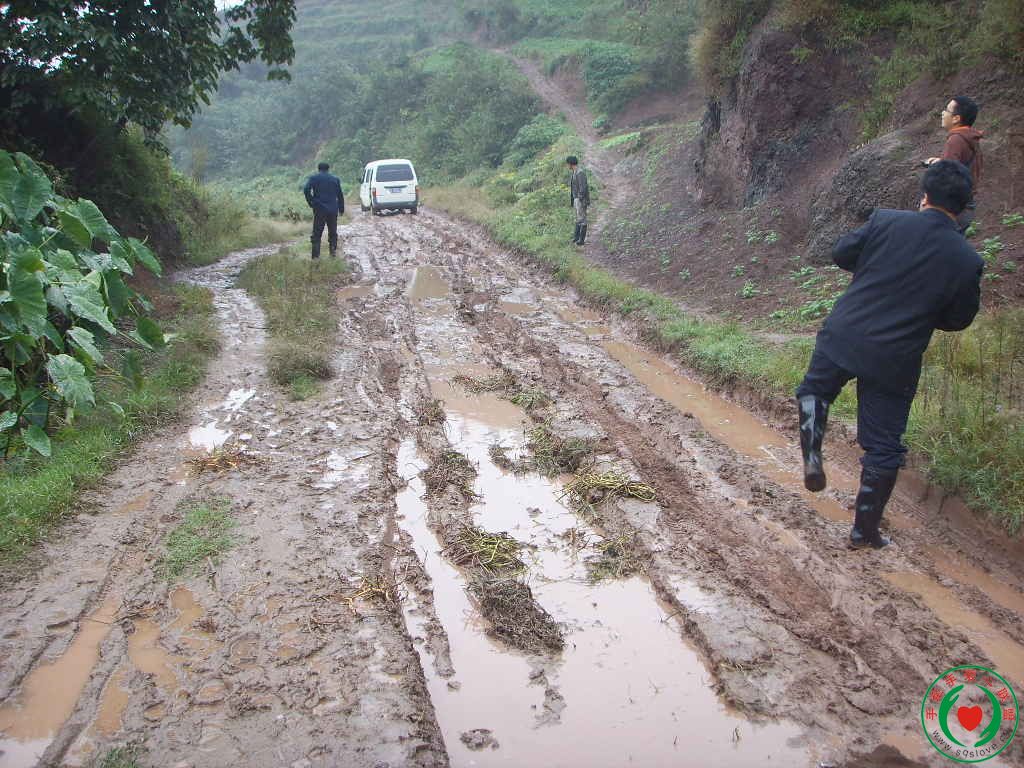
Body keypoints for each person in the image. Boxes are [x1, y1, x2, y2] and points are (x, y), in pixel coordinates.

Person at [796, 160, 983, 549]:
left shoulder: (886, 221)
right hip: (897, 355)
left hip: (845, 333)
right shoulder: (967, 259)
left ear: (924, 195)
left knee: (815, 391)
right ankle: (865, 532)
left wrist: (872, 268)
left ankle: (812, 456)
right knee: (883, 445)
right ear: (964, 207)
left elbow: (841, 252)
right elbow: (959, 320)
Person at [925, 96, 983, 231]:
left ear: (956, 118)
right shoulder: (970, 138)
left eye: (946, 110)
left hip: (952, 209)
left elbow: (946, 177)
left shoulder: (956, 140)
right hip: (965, 204)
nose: (943, 113)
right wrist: (940, 161)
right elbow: (960, 167)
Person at [303, 162, 345, 259]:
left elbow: (306, 189)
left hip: (319, 209)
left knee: (317, 234)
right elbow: (340, 195)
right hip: (333, 210)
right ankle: (332, 254)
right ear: (328, 169)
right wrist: (341, 209)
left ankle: (315, 257)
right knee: (333, 232)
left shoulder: (314, 178)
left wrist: (311, 202)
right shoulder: (335, 179)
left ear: (318, 169)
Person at [567, 156, 590, 246]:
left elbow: (583, 187)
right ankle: (576, 238)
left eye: (568, 164)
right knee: (578, 218)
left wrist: (579, 198)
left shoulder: (580, 172)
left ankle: (581, 240)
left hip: (580, 199)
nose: (567, 165)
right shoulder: (575, 172)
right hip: (577, 199)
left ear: (571, 163)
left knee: (582, 219)